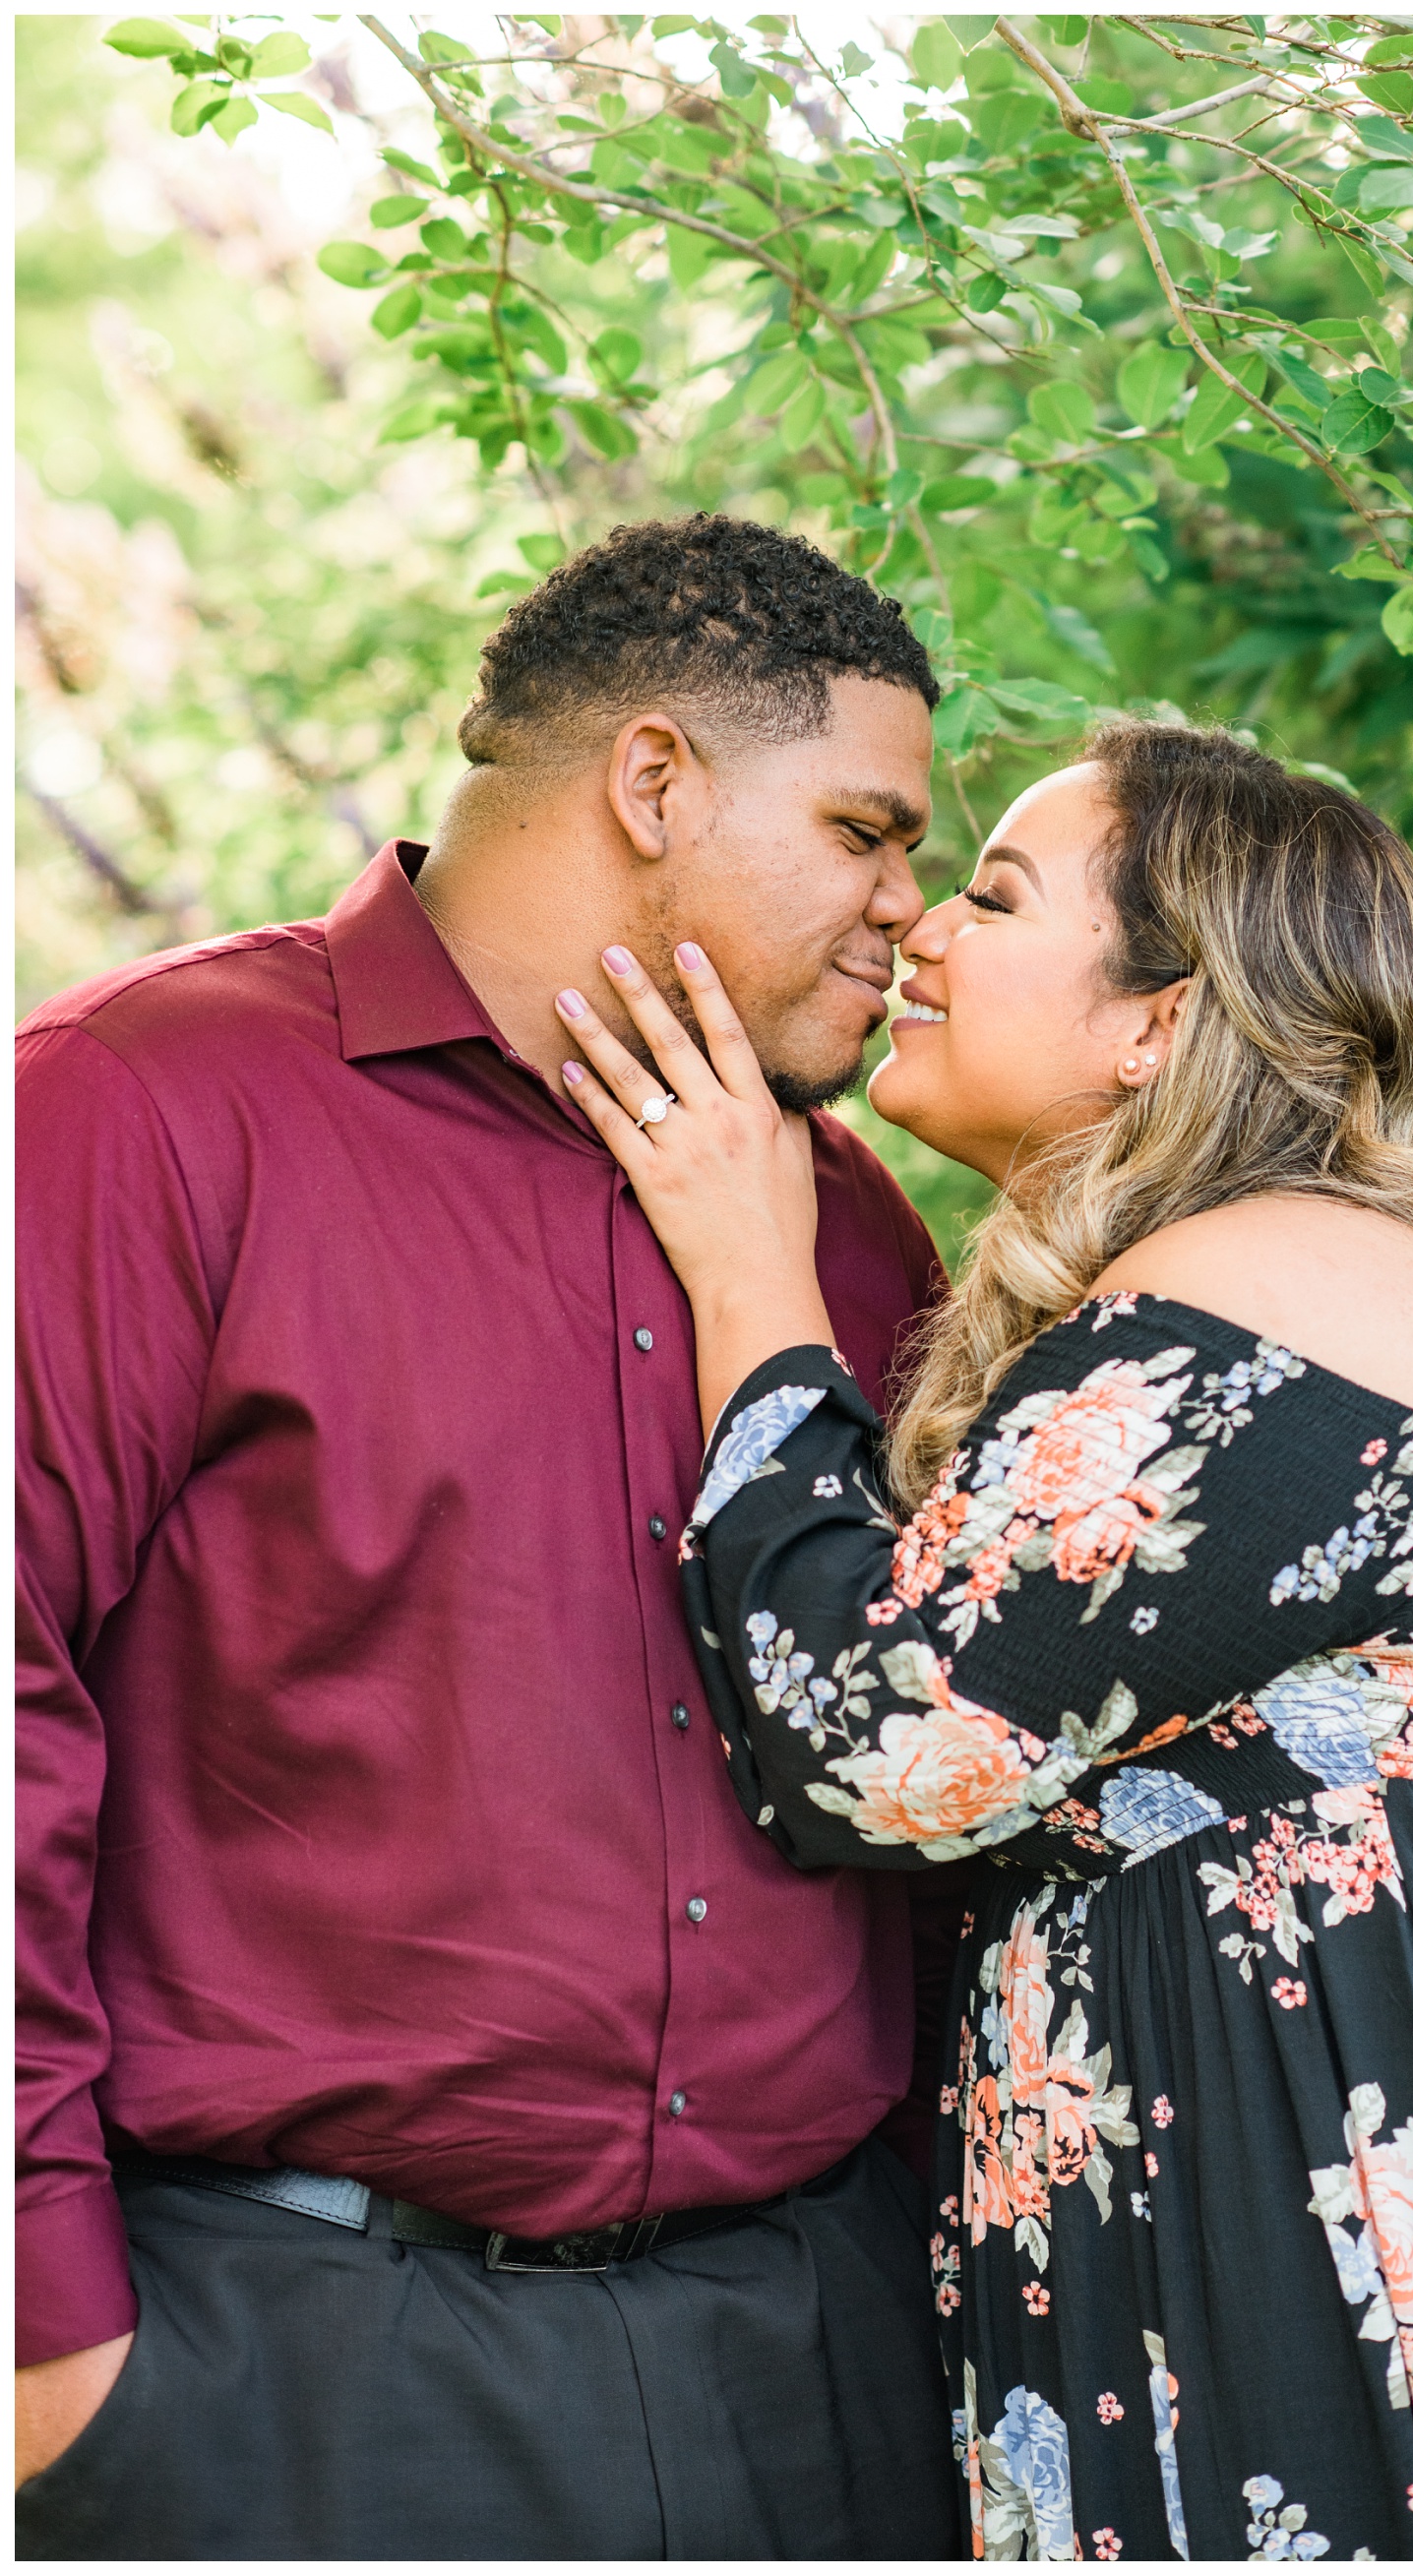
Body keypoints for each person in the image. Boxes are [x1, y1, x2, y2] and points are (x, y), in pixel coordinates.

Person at [548, 718, 1413, 2560]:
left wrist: (750, 1283)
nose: (921, 928)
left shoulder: (1263, 1281)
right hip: (1310, 2264)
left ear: (1157, 1020)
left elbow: (878, 1747)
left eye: (996, 895)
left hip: (1403, 2316)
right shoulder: (1252, 1279)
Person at [15, 515, 969, 2556]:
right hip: (292, 2376)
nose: (913, 908)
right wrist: (48, 2354)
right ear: (653, 782)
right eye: (868, 831)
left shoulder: (853, 1229)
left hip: (819, 2364)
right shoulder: (139, 1108)